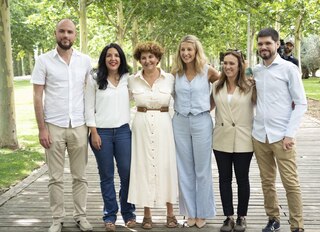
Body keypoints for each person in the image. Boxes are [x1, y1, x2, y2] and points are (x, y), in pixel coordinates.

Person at [31, 19, 93, 232]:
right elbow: (37, 96)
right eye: (62, 31)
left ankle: (81, 215)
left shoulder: (85, 61)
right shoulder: (43, 61)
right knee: (55, 177)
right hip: (53, 126)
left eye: (70, 32)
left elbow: (89, 92)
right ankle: (57, 219)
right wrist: (42, 128)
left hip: (78, 125)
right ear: (55, 33)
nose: (66, 35)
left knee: (80, 176)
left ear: (75, 35)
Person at [252, 28, 307, 232]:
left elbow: (301, 103)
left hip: (283, 137)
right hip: (260, 136)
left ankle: (297, 225)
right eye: (260, 44)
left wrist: (290, 133)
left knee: (290, 183)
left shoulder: (288, 69)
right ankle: (273, 219)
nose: (264, 47)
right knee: (267, 182)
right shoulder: (256, 71)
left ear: (277, 45)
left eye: (268, 43)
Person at [84, 43, 136, 232]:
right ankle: (110, 216)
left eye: (116, 55)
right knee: (106, 176)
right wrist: (94, 132)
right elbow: (89, 107)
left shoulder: (127, 78)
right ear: (104, 59)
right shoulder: (95, 79)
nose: (113, 58)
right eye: (109, 55)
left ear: (121, 58)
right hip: (102, 134)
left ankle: (129, 213)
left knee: (127, 173)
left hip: (123, 132)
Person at [127, 41, 178, 230]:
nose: (147, 61)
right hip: (141, 125)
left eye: (151, 57)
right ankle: (146, 214)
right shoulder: (132, 80)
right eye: (143, 58)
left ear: (158, 58)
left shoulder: (170, 79)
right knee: (144, 166)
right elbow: (118, 100)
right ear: (139, 60)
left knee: (166, 166)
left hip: (165, 124)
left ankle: (170, 213)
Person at [171, 35, 220, 228]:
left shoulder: (208, 71)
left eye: (189, 50)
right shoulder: (175, 72)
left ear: (196, 51)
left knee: (202, 169)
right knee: (184, 169)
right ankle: (190, 212)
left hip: (202, 122)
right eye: (183, 50)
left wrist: (210, 105)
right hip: (180, 122)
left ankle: (203, 212)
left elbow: (222, 85)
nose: (186, 53)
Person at [211, 50, 255, 232]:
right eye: (225, 63)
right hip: (221, 138)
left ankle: (241, 217)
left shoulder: (250, 85)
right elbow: (207, 106)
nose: (228, 67)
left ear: (240, 66)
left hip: (244, 139)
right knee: (224, 179)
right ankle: (228, 217)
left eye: (232, 64)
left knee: (242, 179)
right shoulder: (216, 86)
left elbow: (265, 103)